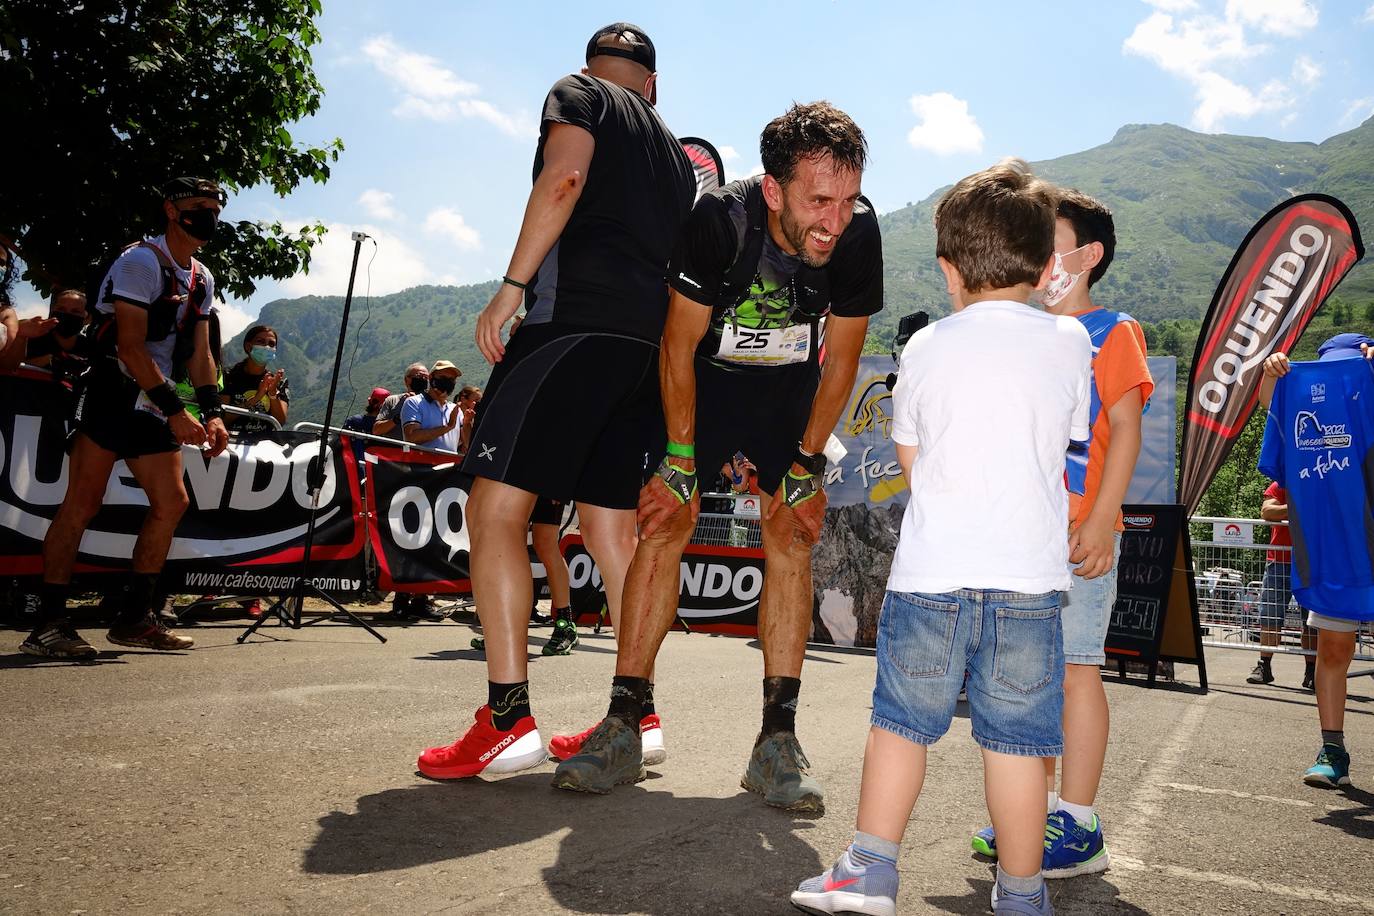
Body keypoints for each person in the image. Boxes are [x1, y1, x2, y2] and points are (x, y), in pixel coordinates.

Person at [551, 101, 881, 812]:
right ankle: (622, 724)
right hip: (700, 381)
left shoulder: (856, 235)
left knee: (793, 530)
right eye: (818, 200)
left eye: (848, 199)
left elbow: (842, 361)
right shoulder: (719, 222)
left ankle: (776, 743)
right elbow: (675, 346)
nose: (835, 219)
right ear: (773, 189)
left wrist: (808, 464)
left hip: (788, 390)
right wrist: (677, 461)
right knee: (664, 522)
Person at [792, 159, 1090, 916]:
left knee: (901, 724)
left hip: (932, 575)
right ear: (1045, 264)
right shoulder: (1069, 345)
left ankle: (870, 870)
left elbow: (913, 461)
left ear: (949, 272)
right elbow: (1063, 445)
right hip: (1028, 581)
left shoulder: (923, 349)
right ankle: (1022, 898)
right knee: (1019, 743)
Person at [415, 22, 695, 781]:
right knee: (613, 530)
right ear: (654, 84)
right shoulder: (676, 152)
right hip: (646, 351)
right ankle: (637, 711)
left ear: (591, 70)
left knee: (495, 511)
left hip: (571, 327)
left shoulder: (578, 94)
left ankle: (506, 722)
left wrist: (510, 288)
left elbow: (563, 179)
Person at [970, 189, 1151, 880]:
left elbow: (1129, 428)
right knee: (1028, 679)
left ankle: (1078, 822)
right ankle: (1034, 813)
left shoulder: (1116, 328)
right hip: (1022, 537)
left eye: (1050, 242)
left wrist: (1103, 518)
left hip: (1079, 535)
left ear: (1089, 255)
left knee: (1076, 672)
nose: (1039, 259)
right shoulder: (1025, 332)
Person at [21, 176, 230, 659]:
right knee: (82, 503)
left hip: (155, 398)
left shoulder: (201, 277)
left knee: (172, 502)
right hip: (115, 391)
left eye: (215, 208)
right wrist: (178, 412)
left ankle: (136, 617)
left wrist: (212, 412)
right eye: (199, 206)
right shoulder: (140, 261)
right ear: (172, 211)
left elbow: (200, 354)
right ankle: (49, 623)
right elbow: (129, 347)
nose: (209, 216)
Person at [1258, 333, 1374, 789]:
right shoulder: (1302, 402)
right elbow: (1276, 422)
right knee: (1332, 651)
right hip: (1333, 554)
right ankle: (1333, 750)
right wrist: (1273, 382)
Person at [1248, 481, 1317, 689]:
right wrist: (1300, 507)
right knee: (1270, 615)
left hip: (1313, 560)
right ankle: (1264, 666)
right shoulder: (1281, 482)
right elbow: (1267, 512)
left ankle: (1312, 672)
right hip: (1279, 560)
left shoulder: (1319, 478)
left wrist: (1287, 510)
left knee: (1312, 620)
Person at [223, 324, 288, 431]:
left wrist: (272, 394)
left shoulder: (278, 382)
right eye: (260, 341)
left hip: (263, 443)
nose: (267, 347)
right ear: (248, 346)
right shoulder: (228, 376)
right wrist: (256, 399)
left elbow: (280, 421)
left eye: (271, 344)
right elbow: (222, 418)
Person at [401, 359, 462, 452]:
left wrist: (468, 423)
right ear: (431, 377)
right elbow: (411, 437)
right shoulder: (414, 403)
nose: (447, 382)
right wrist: (447, 427)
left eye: (451, 379)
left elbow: (465, 442)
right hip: (422, 465)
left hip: (449, 465)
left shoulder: (455, 409)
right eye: (443, 377)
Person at [20, 289, 88, 369]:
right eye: (61, 309)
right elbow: (9, 364)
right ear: (53, 310)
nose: (67, 315)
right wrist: (48, 360)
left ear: (86, 317)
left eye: (75, 311)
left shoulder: (90, 348)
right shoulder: (32, 338)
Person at [373, 362, 428, 440]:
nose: (423, 379)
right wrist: (399, 416)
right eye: (419, 376)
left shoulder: (432, 402)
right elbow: (376, 430)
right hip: (395, 450)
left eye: (426, 377)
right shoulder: (392, 401)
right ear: (406, 380)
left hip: (420, 450)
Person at [343, 387, 390, 462]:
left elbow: (343, 442)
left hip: (351, 462)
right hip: (377, 467)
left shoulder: (353, 420)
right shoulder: (386, 427)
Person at [455, 384, 481, 456]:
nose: (478, 404)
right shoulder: (452, 413)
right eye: (476, 400)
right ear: (463, 399)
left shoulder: (472, 418)